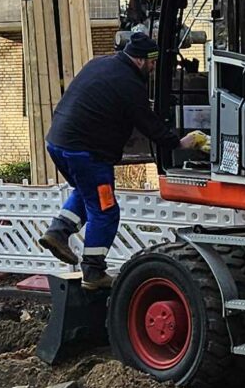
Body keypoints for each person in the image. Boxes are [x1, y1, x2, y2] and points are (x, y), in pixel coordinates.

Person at [38, 30, 207, 288]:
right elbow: (147, 123)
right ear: (140, 60)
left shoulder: (100, 63)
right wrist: (178, 142)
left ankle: (58, 232)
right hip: (87, 154)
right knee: (106, 210)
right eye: (151, 62)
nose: (153, 67)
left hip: (58, 144)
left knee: (88, 194)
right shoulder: (129, 83)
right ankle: (93, 272)